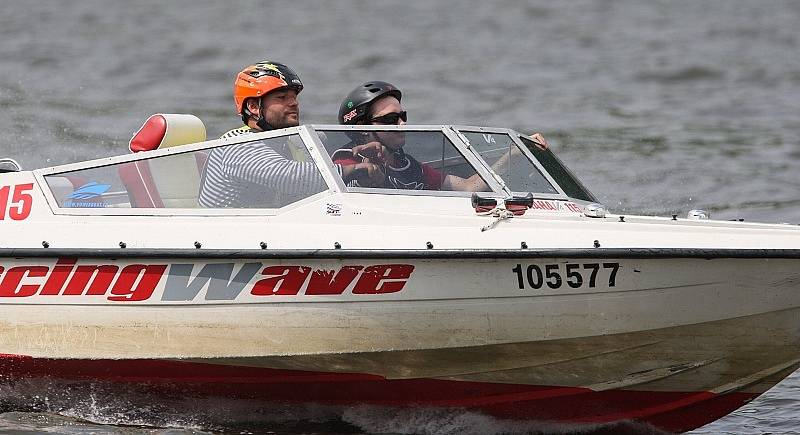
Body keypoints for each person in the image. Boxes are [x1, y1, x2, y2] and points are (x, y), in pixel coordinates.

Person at [199, 61, 382, 208]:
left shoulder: (291, 143)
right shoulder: (237, 143)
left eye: (294, 97)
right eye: (282, 98)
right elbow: (293, 178)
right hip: (228, 234)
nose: (294, 103)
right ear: (253, 107)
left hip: (270, 232)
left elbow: (323, 191)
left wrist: (361, 160)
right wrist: (353, 169)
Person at [332, 81, 550, 191]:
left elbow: (468, 188)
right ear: (361, 128)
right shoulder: (344, 158)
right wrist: (369, 164)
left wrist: (517, 152)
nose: (402, 124)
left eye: (402, 116)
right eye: (390, 119)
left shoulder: (409, 165)